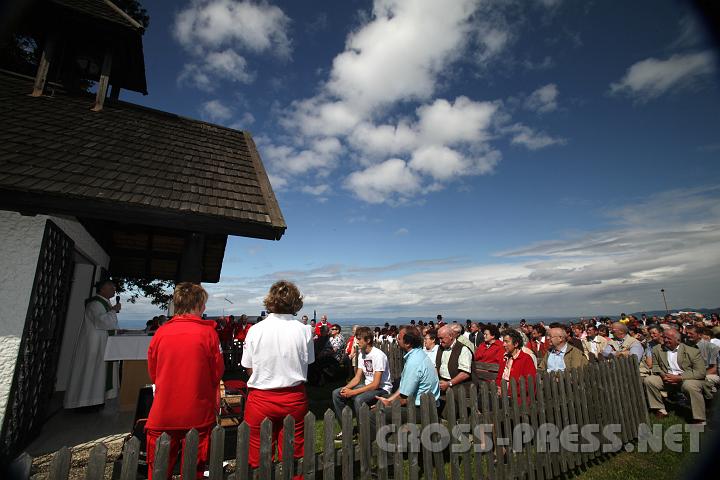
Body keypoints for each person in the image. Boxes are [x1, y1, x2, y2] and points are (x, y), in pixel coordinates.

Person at [145, 283, 224, 480]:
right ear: (197, 305)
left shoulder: (160, 333)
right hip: (197, 412)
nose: (204, 308)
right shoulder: (208, 333)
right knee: (193, 470)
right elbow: (217, 372)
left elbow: (153, 373)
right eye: (203, 304)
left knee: (158, 471)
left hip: (163, 413)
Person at [241, 280, 313, 476]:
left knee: (256, 456)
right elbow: (308, 362)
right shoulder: (304, 330)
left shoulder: (255, 330)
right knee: (295, 453)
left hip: (261, 397)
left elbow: (248, 366)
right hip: (294, 396)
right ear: (295, 302)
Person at [64, 279, 121, 410]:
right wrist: (114, 311)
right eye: (111, 287)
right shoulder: (95, 304)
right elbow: (101, 322)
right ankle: (85, 401)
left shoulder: (104, 303)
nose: (114, 290)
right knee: (91, 371)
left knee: (97, 372)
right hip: (93, 345)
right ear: (102, 289)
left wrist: (112, 310)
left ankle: (96, 399)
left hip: (101, 343)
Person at [371, 325, 440, 432]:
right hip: (424, 404)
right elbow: (404, 388)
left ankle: (375, 443)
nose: (397, 341)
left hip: (422, 410)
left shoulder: (414, 362)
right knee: (383, 398)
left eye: (399, 339)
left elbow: (404, 398)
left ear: (407, 343)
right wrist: (388, 400)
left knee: (373, 413)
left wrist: (388, 404)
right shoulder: (419, 354)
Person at [332, 326, 392, 439]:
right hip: (368, 385)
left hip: (382, 388)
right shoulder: (362, 354)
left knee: (359, 399)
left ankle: (365, 431)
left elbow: (376, 384)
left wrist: (353, 393)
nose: (357, 341)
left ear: (368, 340)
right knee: (336, 393)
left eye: (359, 339)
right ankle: (347, 430)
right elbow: (357, 378)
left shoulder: (378, 355)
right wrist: (346, 388)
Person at [643, 328, 707, 424]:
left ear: (678, 340)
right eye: (664, 337)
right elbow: (655, 366)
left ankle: (699, 418)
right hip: (667, 378)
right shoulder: (657, 349)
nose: (665, 340)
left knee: (690, 385)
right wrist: (663, 375)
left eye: (669, 338)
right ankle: (660, 409)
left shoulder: (692, 351)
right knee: (649, 380)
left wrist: (679, 377)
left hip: (686, 379)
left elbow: (701, 372)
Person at [496, 330, 537, 403]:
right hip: (503, 397)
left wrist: (507, 392)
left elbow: (528, 384)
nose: (503, 344)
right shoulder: (505, 358)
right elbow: (499, 377)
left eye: (507, 342)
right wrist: (499, 388)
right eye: (503, 341)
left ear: (516, 344)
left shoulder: (526, 359)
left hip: (518, 400)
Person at [435, 325, 472, 392]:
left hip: (460, 384)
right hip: (442, 382)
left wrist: (449, 383)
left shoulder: (463, 349)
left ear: (451, 336)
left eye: (442, 338)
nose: (440, 341)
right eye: (439, 338)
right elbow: (437, 367)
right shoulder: (441, 348)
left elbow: (465, 373)